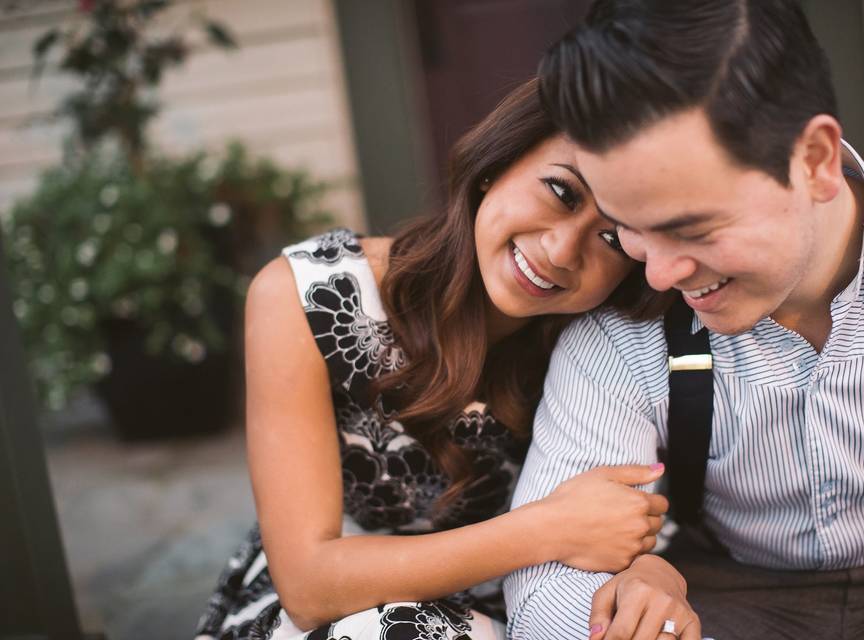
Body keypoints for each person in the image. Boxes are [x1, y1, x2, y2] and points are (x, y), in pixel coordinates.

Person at [504, 2, 864, 639]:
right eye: (627, 227)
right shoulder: (618, 335)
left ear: (815, 160)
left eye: (691, 229)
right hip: (725, 603)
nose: (657, 274)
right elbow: (546, 586)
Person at [193, 78, 673, 640]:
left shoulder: (604, 346)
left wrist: (655, 568)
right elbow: (308, 586)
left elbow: (625, 525)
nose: (562, 251)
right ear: (498, 162)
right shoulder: (308, 296)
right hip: (331, 611)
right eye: (561, 193)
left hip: (510, 608)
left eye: (613, 239)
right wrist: (544, 530)